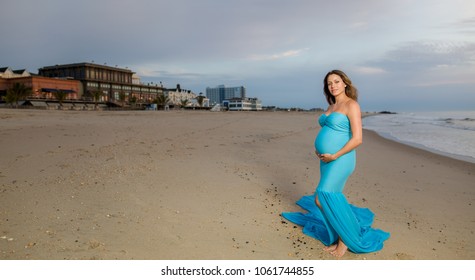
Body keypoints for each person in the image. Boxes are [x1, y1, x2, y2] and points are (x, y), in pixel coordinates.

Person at [282, 70, 390, 257]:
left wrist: (335, 155)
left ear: (345, 84)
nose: (333, 85)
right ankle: (341, 233)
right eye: (329, 83)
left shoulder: (351, 105)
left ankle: (344, 241)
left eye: (337, 81)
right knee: (321, 198)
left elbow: (357, 139)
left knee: (324, 195)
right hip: (327, 160)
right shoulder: (332, 106)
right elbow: (332, 131)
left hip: (341, 159)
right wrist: (321, 150)